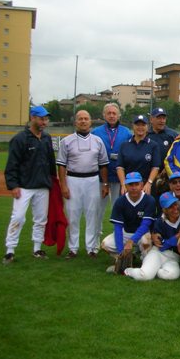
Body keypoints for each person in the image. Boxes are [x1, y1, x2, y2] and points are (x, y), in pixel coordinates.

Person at [3, 105, 57, 264]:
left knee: (41, 219)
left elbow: (50, 161)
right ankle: (10, 250)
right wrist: (13, 185)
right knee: (18, 217)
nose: (44, 122)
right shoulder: (20, 139)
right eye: (41, 119)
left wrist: (52, 180)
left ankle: (37, 248)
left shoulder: (46, 138)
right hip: (24, 187)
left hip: (42, 186)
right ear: (32, 118)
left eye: (46, 119)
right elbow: (12, 164)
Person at [56, 110, 109, 259]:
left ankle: (91, 248)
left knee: (92, 214)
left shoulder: (98, 141)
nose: (83, 121)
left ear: (90, 122)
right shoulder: (66, 141)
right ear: (75, 122)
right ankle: (73, 248)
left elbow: (103, 165)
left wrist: (105, 184)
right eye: (80, 119)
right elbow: (61, 165)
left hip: (92, 179)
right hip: (73, 179)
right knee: (73, 214)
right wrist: (63, 185)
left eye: (86, 119)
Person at [101, 172, 157, 273]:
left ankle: (144, 263)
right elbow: (118, 227)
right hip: (126, 232)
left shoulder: (149, 200)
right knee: (106, 244)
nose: (134, 187)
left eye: (136, 184)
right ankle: (125, 258)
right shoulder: (120, 201)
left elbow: (146, 225)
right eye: (131, 184)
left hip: (142, 233)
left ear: (142, 184)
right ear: (126, 185)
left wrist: (131, 242)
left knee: (146, 242)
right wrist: (120, 250)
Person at [92, 103, 132, 237]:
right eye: (108, 113)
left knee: (118, 208)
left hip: (119, 177)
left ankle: (118, 236)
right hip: (101, 177)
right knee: (98, 209)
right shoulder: (96, 132)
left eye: (114, 113)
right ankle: (95, 237)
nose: (111, 116)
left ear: (119, 115)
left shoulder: (126, 132)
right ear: (104, 115)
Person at [123, 192, 180, 281]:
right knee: (144, 276)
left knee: (171, 275)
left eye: (175, 204)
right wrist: (178, 236)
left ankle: (154, 269)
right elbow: (163, 246)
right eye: (170, 207)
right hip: (158, 253)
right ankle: (128, 271)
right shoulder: (159, 222)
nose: (175, 208)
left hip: (174, 258)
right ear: (164, 210)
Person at [116, 114, 161, 195]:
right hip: (128, 186)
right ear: (133, 126)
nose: (140, 127)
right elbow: (120, 167)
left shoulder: (153, 145)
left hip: (145, 186)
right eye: (137, 125)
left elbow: (155, 167)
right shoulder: (124, 145)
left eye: (143, 125)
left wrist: (149, 183)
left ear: (147, 127)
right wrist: (123, 184)